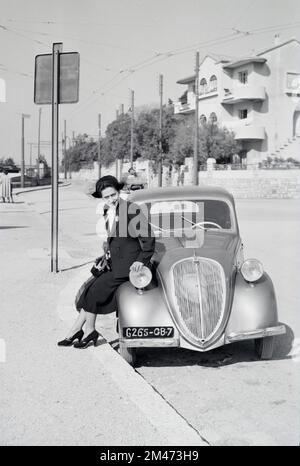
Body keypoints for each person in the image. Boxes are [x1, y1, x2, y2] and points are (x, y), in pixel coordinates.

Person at [58, 175, 155, 349]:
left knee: (94, 292)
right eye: (106, 197)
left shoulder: (131, 209)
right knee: (89, 289)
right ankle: (79, 330)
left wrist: (141, 260)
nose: (111, 199)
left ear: (119, 192)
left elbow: (148, 238)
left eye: (113, 195)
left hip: (128, 267)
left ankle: (86, 331)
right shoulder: (108, 210)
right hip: (115, 264)